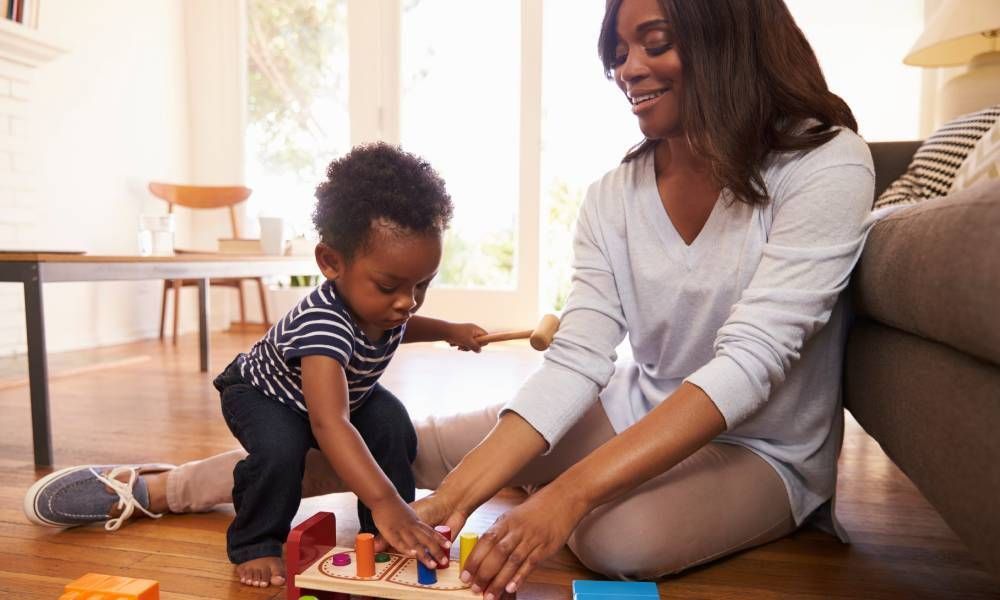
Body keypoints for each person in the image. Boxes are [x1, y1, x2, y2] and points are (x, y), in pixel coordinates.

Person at [25, 0, 876, 596]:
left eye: (654, 41)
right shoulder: (614, 196)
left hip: (759, 451)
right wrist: (444, 498)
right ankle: (160, 488)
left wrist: (566, 495)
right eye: (618, 49)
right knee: (406, 450)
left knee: (612, 540)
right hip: (631, 410)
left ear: (728, 32)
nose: (628, 67)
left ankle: (610, 490)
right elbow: (580, 357)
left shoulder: (826, 163)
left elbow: (752, 365)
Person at [24, 143, 489, 589]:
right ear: (331, 262)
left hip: (339, 397)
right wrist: (384, 497)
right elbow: (329, 424)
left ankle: (384, 532)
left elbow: (406, 326)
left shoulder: (385, 306)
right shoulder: (324, 326)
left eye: (421, 285)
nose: (407, 303)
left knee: (393, 426)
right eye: (391, 285)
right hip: (266, 397)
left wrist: (449, 329)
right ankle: (254, 540)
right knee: (280, 453)